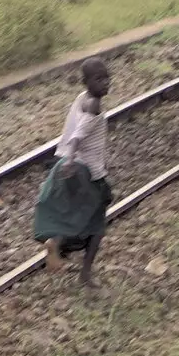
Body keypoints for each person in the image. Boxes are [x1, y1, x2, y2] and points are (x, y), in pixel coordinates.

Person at [34, 57, 113, 287]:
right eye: (99, 79)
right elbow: (78, 134)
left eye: (107, 77)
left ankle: (56, 242)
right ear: (86, 81)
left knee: (70, 215)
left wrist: (66, 161)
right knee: (97, 222)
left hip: (68, 167)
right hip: (85, 171)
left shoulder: (82, 98)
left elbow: (73, 131)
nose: (105, 83)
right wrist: (70, 160)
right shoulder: (94, 105)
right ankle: (85, 274)